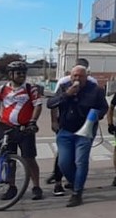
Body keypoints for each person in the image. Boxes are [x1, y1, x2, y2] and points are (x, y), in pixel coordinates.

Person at [46, 65, 108, 207]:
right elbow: (50, 104)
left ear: (86, 77)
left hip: (85, 131)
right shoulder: (64, 87)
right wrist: (67, 94)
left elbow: (104, 107)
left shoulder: (96, 90)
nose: (77, 78)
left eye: (80, 76)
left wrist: (97, 115)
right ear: (71, 76)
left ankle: (77, 193)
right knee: (63, 163)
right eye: (75, 75)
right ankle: (75, 182)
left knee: (81, 161)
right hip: (65, 130)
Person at [0, 61, 46, 201]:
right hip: (6, 128)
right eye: (18, 73)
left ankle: (36, 187)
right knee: (9, 159)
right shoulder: (2, 89)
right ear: (10, 74)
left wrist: (33, 121)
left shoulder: (30, 88)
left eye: (23, 73)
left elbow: (38, 105)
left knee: (29, 158)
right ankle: (12, 187)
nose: (22, 75)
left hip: (25, 129)